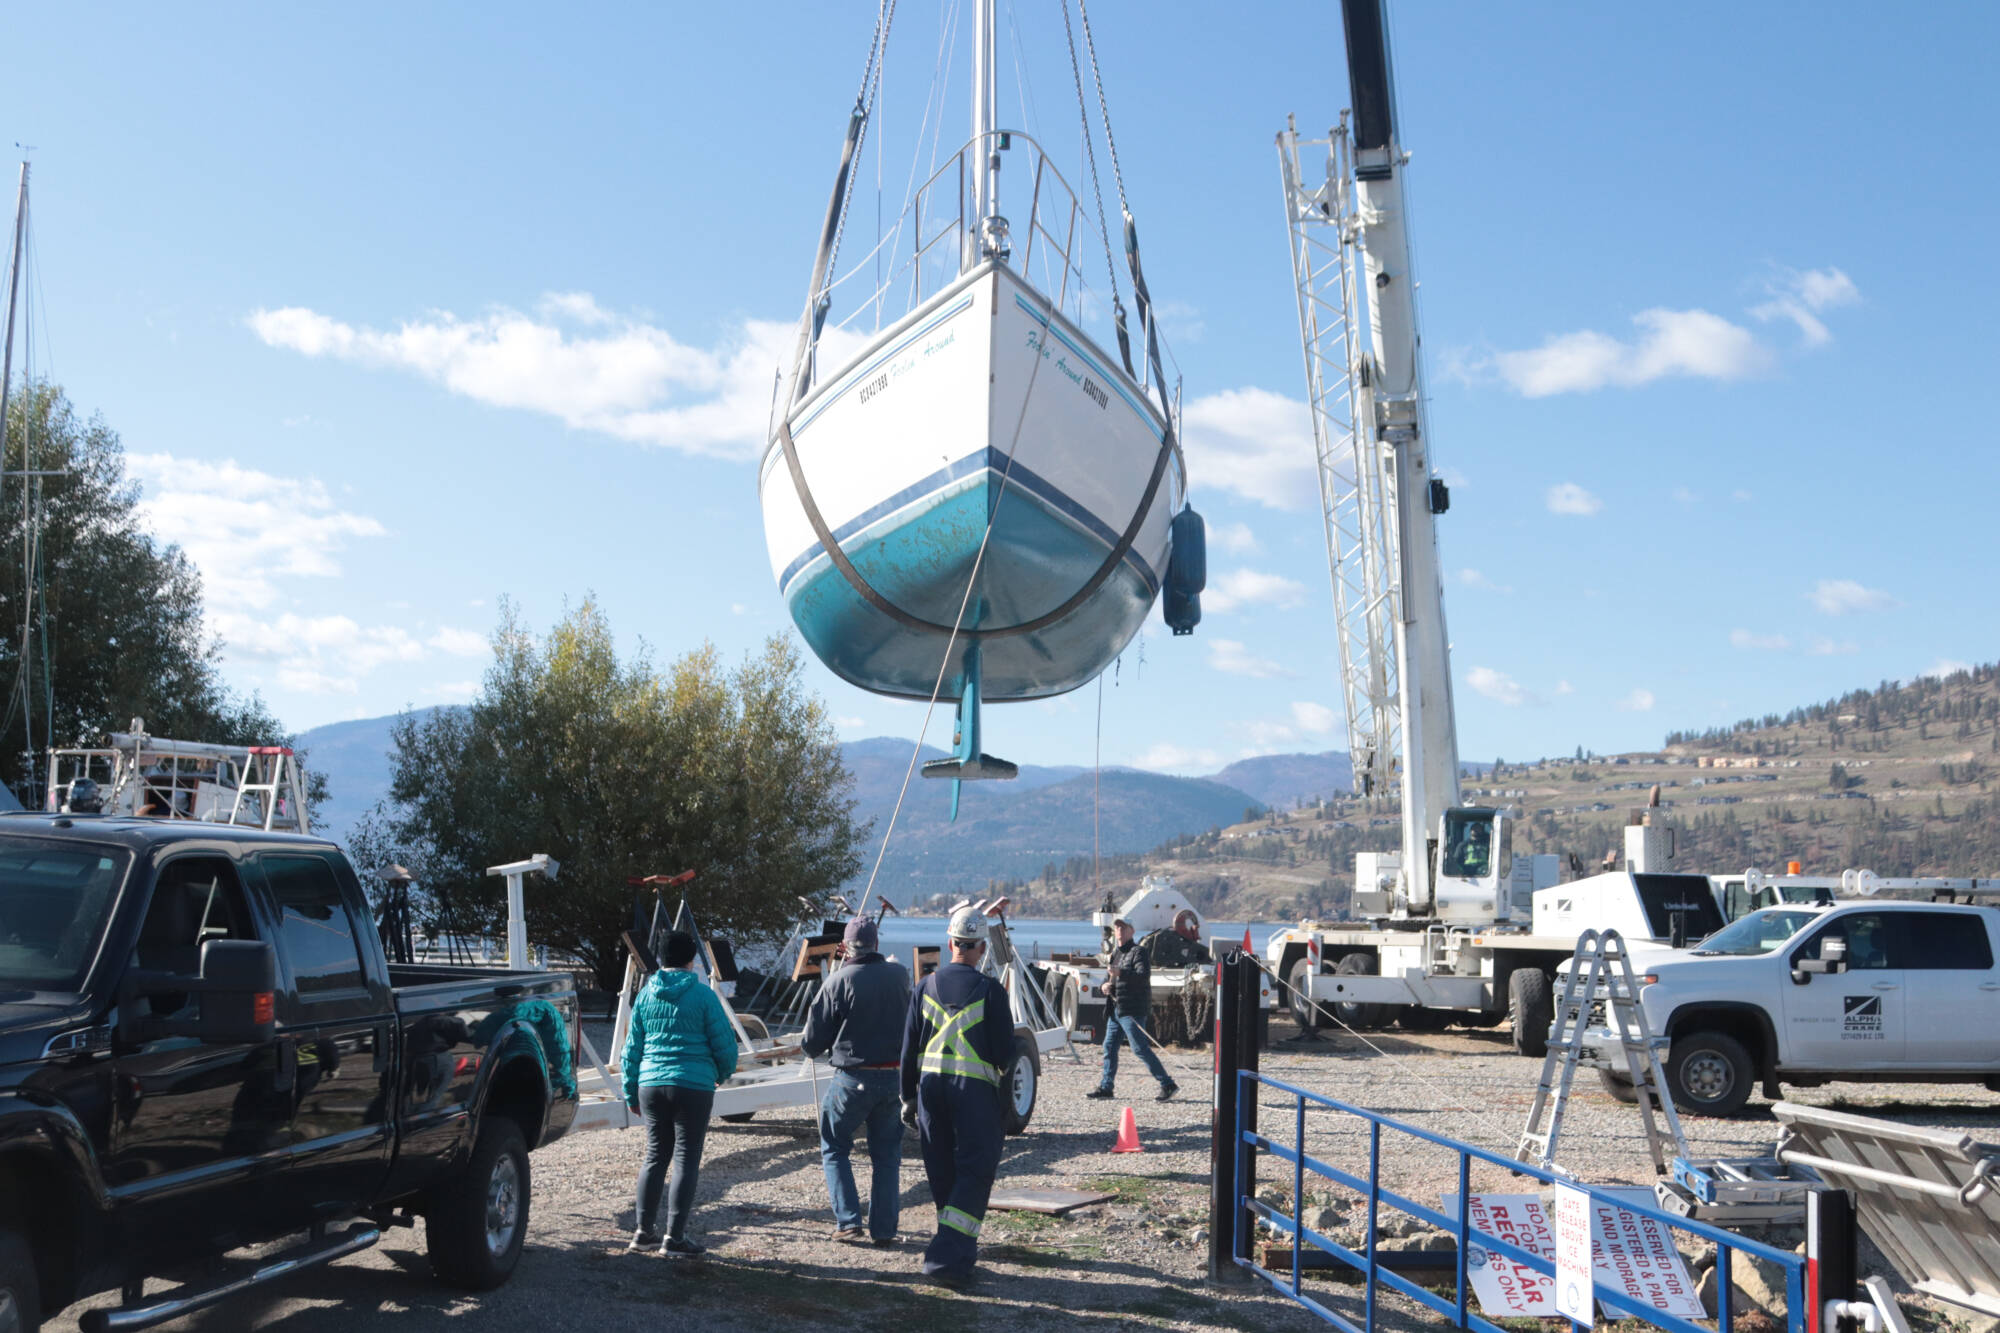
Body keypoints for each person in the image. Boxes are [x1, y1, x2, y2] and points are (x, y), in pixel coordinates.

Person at [900, 905, 1014, 1283]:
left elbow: (908, 1048)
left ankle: (958, 1251)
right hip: (974, 1095)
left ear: (951, 943)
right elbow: (1004, 1054)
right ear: (981, 948)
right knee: (975, 1171)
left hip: (931, 1093)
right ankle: (946, 1259)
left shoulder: (924, 986)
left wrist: (908, 1098)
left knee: (942, 1171)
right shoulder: (991, 991)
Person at [621, 931, 740, 1257]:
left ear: (661, 958)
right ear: (692, 960)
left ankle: (643, 1233)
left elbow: (631, 1050)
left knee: (655, 1155)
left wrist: (631, 1091)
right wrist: (722, 1073)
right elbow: (725, 1045)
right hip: (693, 1084)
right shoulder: (702, 996)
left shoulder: (646, 995)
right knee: (686, 1159)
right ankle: (674, 1239)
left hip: (651, 1085)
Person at [802, 915, 912, 1246]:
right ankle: (884, 1229)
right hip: (895, 1077)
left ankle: (848, 1222)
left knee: (834, 1145)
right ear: (877, 944)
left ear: (846, 947)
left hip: (853, 1078)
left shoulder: (839, 981)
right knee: (887, 1155)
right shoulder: (900, 975)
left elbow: (811, 1043)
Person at [1085, 917, 1177, 1103]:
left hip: (1132, 1010)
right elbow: (1108, 978)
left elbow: (1143, 976)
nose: (1119, 930)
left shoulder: (1139, 952)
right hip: (1116, 1010)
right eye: (1117, 927)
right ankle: (1106, 1087)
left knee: (1140, 1048)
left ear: (1131, 931)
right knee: (1109, 1047)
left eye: (1123, 927)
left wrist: (1121, 974)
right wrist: (1104, 986)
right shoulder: (1116, 953)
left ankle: (1167, 1084)